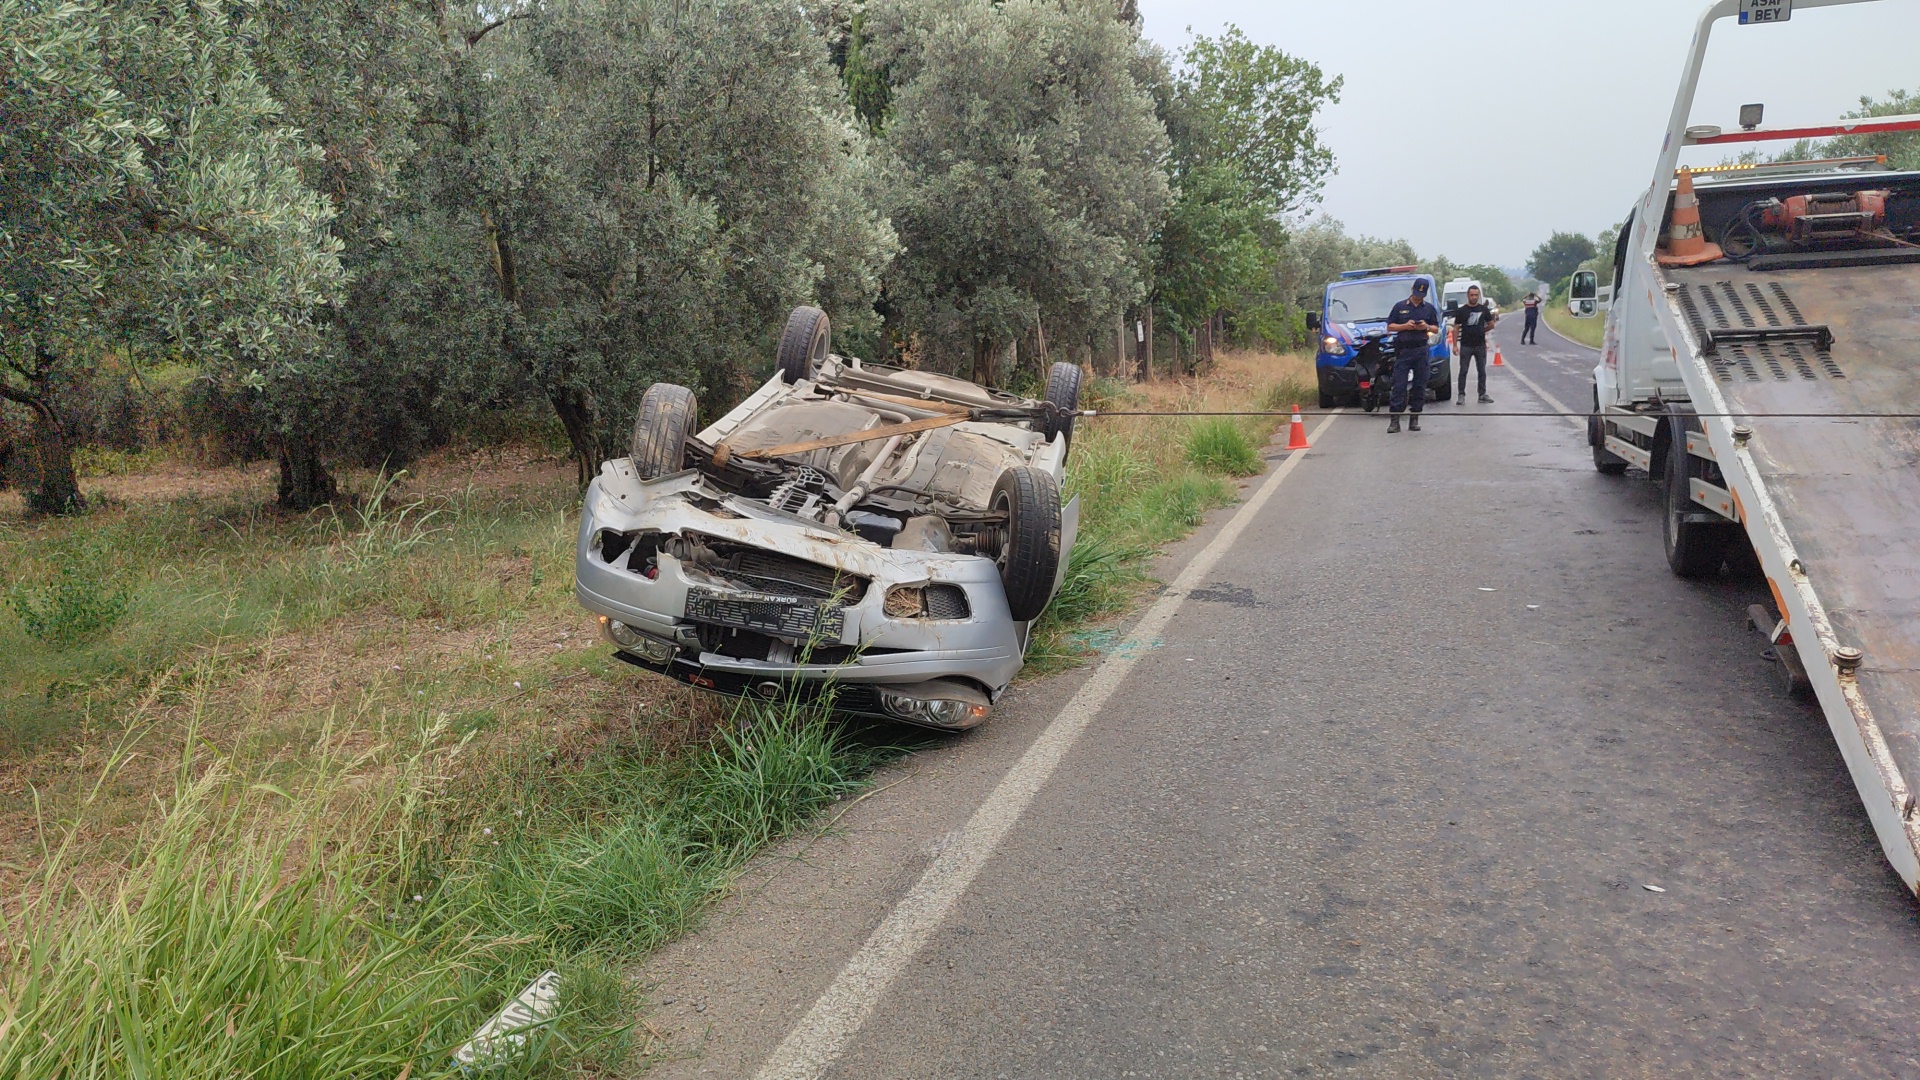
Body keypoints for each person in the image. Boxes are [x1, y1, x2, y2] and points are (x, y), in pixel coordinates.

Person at [1384, 279, 1440, 434]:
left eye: (1421, 295)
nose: (1417, 297)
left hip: (1421, 350)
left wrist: (1426, 326)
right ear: (1412, 290)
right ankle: (1395, 420)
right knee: (1399, 386)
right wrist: (1405, 326)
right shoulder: (1400, 306)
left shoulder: (1429, 309)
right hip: (1404, 351)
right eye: (1416, 294)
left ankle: (1414, 418)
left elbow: (1436, 329)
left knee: (1420, 386)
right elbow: (1390, 326)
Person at [1451, 284, 1498, 404]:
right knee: (1463, 371)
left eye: (1476, 295)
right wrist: (1455, 345)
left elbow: (1491, 324)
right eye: (1472, 295)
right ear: (1468, 296)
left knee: (1482, 370)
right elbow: (1456, 328)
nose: (1474, 297)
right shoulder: (1461, 311)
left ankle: (1482, 394)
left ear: (1479, 296)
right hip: (1466, 345)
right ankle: (1461, 395)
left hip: (1480, 345)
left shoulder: (1483, 309)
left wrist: (1483, 331)